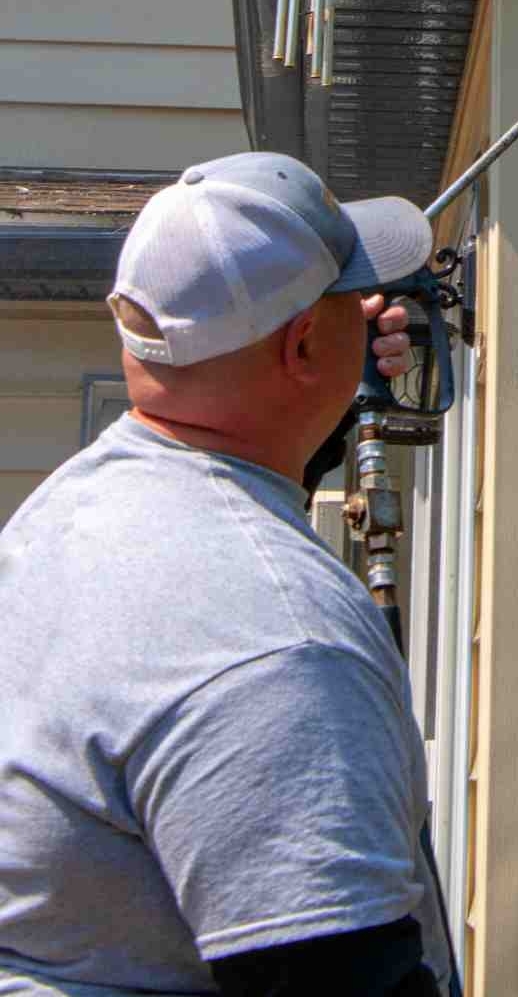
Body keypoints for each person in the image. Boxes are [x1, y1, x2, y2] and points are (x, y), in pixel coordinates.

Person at [0, 151, 454, 997]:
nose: (374, 310)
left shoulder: (76, 511)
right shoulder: (277, 640)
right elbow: (334, 977)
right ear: (304, 340)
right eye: (350, 298)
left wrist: (309, 411)